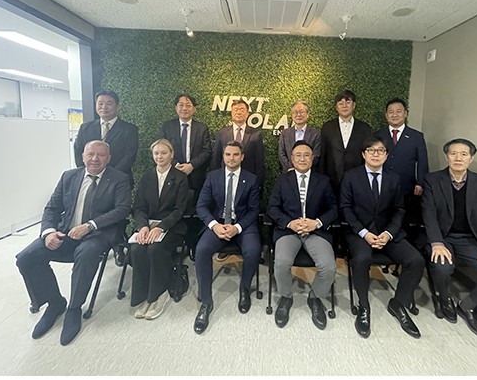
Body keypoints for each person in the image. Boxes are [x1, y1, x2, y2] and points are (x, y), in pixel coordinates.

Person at [16, 140, 131, 345]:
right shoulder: (69, 176)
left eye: (101, 155)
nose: (95, 158)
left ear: (109, 158)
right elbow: (51, 208)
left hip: (98, 234)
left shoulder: (119, 179)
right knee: (26, 257)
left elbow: (122, 209)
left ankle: (74, 308)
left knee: (86, 254)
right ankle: (55, 303)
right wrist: (49, 233)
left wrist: (90, 226)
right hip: (65, 233)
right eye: (90, 154)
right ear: (83, 156)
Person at [421, 138, 477, 338]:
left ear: (471, 159)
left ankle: (468, 306)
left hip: (469, 240)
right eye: (453, 153)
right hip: (442, 237)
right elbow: (429, 214)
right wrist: (436, 242)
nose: (458, 158)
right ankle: (444, 298)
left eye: (464, 154)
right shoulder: (432, 180)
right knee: (442, 265)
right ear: (447, 157)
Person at [340, 135, 425, 339]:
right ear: (364, 154)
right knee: (362, 259)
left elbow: (399, 209)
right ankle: (364, 306)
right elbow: (345, 208)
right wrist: (364, 233)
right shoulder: (351, 176)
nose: (375, 154)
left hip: (388, 233)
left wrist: (388, 233)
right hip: (360, 233)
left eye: (380, 151)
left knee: (416, 260)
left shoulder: (394, 178)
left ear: (386, 155)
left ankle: (399, 303)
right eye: (371, 150)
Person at [267, 141, 337, 329]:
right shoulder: (282, 180)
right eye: (298, 155)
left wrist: (317, 223)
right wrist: (290, 222)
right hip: (289, 231)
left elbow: (333, 209)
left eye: (307, 155)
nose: (302, 159)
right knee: (281, 263)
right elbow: (272, 208)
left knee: (328, 267)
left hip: (316, 232)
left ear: (312, 158)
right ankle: (286, 297)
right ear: (292, 158)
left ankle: (315, 297)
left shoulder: (323, 181)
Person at [193, 141, 261, 334]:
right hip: (218, 224)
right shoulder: (212, 177)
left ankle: (244, 289)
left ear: (242, 157)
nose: (231, 158)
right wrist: (214, 226)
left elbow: (254, 211)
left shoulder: (251, 179)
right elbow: (201, 206)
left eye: (235, 154)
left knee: (253, 250)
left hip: (242, 225)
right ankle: (206, 301)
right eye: (228, 154)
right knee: (201, 250)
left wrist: (237, 228)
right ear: (223, 156)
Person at [73, 89, 139, 266]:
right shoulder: (86, 127)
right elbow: (79, 152)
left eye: (109, 103)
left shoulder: (129, 129)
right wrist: (89, 173)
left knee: (116, 213)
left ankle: (117, 246)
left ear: (117, 106)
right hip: (90, 179)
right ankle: (90, 242)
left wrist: (109, 177)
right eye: (100, 103)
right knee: (91, 210)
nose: (104, 107)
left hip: (119, 181)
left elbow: (129, 156)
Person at [130, 139, 189, 320]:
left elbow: (180, 209)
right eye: (156, 153)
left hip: (172, 226)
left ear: (171, 155)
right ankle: (144, 296)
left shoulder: (180, 178)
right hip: (147, 225)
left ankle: (160, 294)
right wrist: (143, 227)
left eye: (164, 153)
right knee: (136, 248)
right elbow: (138, 207)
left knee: (155, 249)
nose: (159, 156)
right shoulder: (147, 177)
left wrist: (161, 227)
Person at [157, 93, 212, 255]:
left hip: (195, 176)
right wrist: (175, 164)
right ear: (176, 108)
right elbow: (161, 147)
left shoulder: (202, 128)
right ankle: (174, 245)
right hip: (173, 175)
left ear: (194, 109)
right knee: (174, 208)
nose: (184, 108)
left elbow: (207, 151)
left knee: (194, 211)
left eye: (188, 105)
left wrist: (191, 166)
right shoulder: (167, 126)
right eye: (181, 105)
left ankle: (193, 245)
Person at [375, 98, 429, 245]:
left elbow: (422, 162)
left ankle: (401, 243)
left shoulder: (416, 136)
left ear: (406, 113)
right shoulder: (378, 135)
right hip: (382, 184)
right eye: (391, 112)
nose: (395, 115)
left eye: (399, 111)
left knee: (403, 216)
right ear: (386, 115)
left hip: (407, 186)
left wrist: (420, 182)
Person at [318, 89, 373, 196]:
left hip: (357, 180)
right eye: (340, 103)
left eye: (348, 102)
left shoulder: (365, 128)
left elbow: (368, 155)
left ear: (354, 105)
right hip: (332, 179)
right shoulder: (327, 127)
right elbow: (323, 154)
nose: (344, 106)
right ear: (336, 107)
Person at [211, 99, 265, 191]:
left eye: (242, 110)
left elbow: (259, 162)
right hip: (225, 179)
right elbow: (216, 159)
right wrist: (214, 180)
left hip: (248, 181)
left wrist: (258, 184)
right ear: (232, 113)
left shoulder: (256, 134)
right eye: (236, 110)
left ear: (247, 114)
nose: (239, 112)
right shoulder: (222, 133)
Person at [278, 101, 321, 172]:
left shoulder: (316, 134)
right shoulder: (285, 133)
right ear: (292, 115)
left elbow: (316, 155)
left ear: (307, 114)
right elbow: (281, 153)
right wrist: (291, 168)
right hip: (289, 173)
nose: (298, 114)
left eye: (302, 112)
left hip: (309, 173)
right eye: (295, 112)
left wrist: (303, 168)